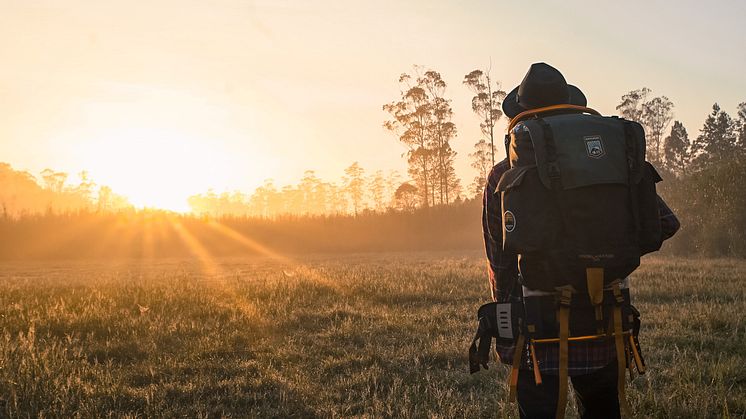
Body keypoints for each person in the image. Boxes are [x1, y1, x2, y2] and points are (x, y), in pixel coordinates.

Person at [482, 63, 680, 419]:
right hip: (605, 318)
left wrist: (507, 331)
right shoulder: (614, 164)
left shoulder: (502, 175)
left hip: (537, 328)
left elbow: (500, 262)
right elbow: (664, 224)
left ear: (523, 116)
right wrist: (606, 251)